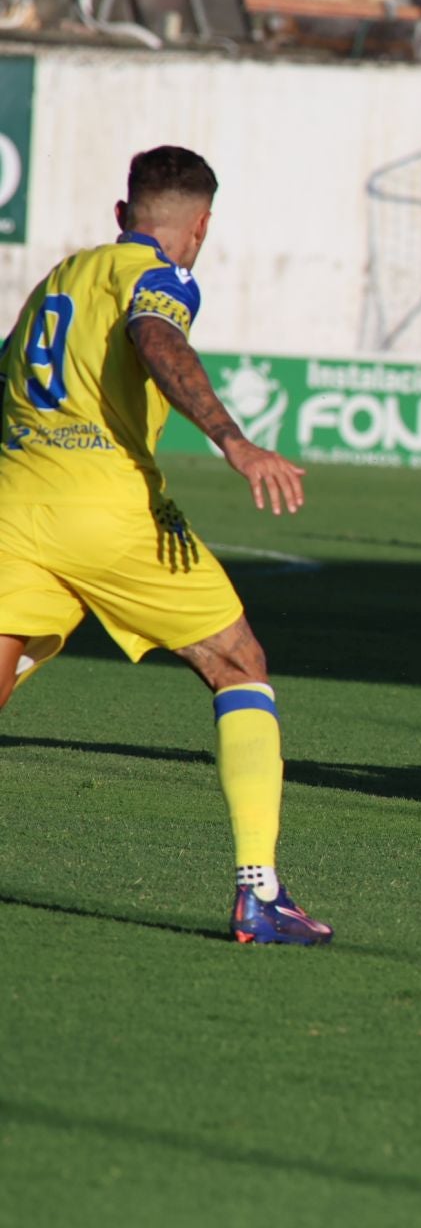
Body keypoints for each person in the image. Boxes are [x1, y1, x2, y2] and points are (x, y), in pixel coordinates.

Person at [0, 146, 331, 944]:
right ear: (203, 225)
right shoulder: (163, 277)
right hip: (108, 508)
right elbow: (157, 337)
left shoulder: (61, 278)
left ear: (123, 214)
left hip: (14, 502)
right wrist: (234, 441)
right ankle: (259, 892)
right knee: (238, 663)